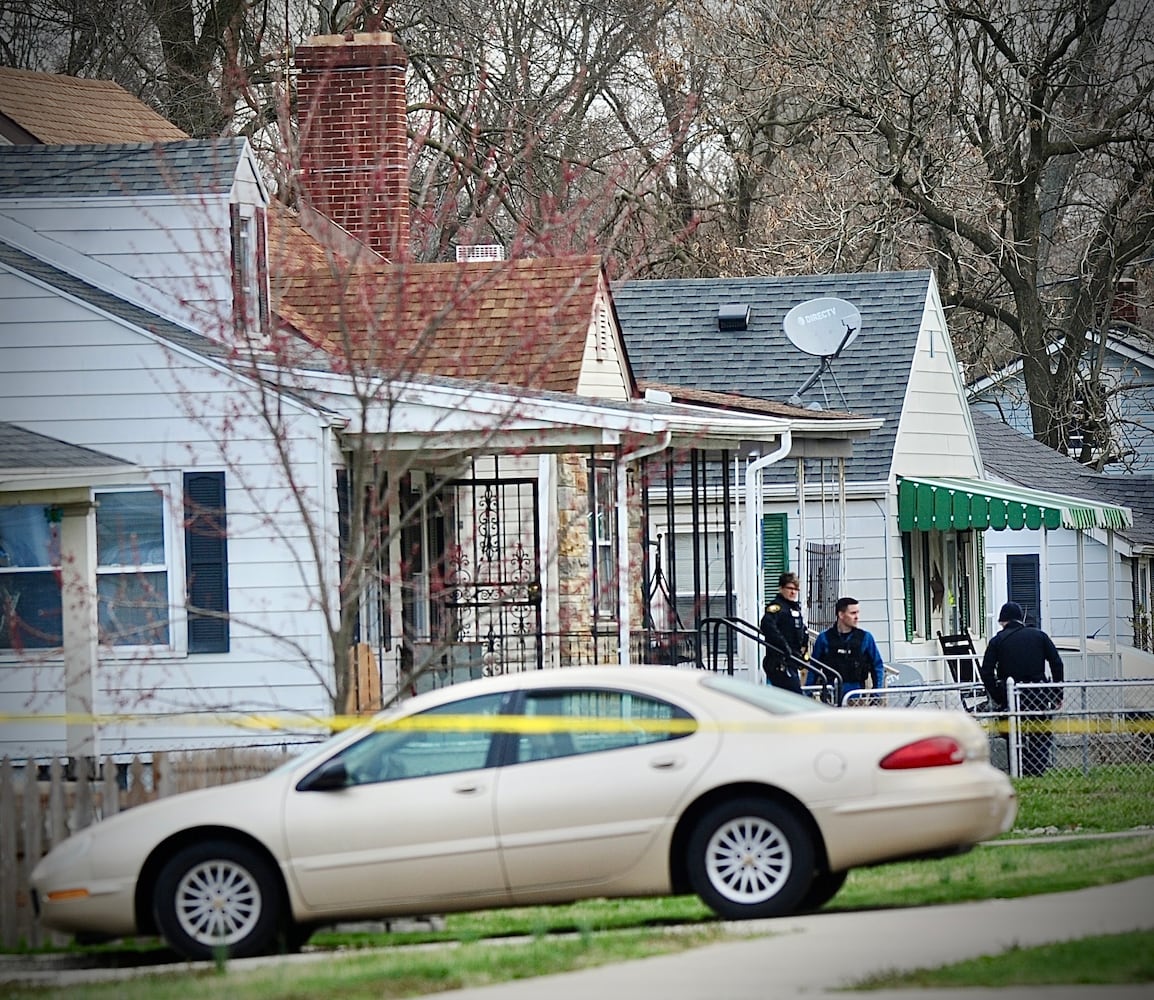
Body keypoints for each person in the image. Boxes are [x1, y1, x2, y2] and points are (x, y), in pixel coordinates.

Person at [979, 601, 1064, 776]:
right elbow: (1057, 663)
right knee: (1040, 732)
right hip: (1038, 694)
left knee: (1011, 733)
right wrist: (1057, 693)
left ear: (1003, 621)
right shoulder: (1039, 636)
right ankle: (1036, 769)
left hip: (1011, 697)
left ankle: (1019, 767)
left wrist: (998, 696)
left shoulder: (998, 641)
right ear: (1021, 619)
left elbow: (986, 671)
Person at [811, 597, 886, 704]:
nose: (857, 617)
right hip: (831, 695)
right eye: (853, 613)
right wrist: (807, 693)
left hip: (856, 695)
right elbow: (814, 667)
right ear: (841, 615)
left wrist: (876, 694)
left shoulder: (865, 638)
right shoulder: (824, 638)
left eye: (858, 613)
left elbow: (877, 666)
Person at [760, 572, 808, 693]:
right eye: (790, 588)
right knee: (795, 696)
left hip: (792, 660)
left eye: (796, 589)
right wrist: (784, 647)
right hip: (779, 660)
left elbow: (801, 631)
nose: (793, 592)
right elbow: (767, 626)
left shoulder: (795, 608)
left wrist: (803, 652)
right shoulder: (777, 607)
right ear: (781, 588)